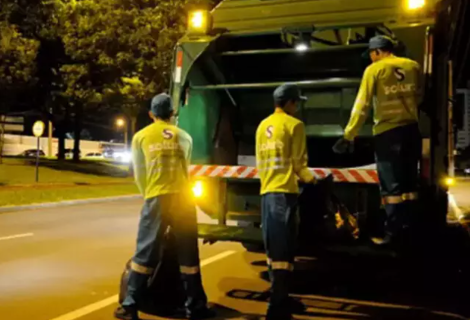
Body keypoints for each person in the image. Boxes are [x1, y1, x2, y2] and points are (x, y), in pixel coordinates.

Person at [115, 93, 214, 320]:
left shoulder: (141, 137)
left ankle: (130, 306)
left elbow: (140, 174)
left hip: (157, 198)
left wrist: (148, 196)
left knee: (145, 253)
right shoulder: (184, 137)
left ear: (151, 114)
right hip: (183, 200)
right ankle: (196, 307)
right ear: (173, 114)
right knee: (188, 254)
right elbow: (185, 170)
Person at [333, 35, 422, 246]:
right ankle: (410, 229)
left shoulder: (374, 70)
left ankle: (393, 235)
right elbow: (421, 94)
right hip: (411, 130)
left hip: (387, 132)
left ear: (377, 52)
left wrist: (349, 135)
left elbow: (362, 104)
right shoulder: (413, 67)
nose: (371, 58)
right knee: (410, 186)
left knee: (391, 188)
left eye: (372, 54)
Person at [256, 83, 330, 320]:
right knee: (283, 253)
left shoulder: (262, 125)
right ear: (289, 103)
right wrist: (315, 180)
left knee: (272, 250)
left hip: (266, 193)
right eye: (296, 102)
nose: (297, 106)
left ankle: (282, 299)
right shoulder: (295, 126)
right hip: (284, 195)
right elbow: (299, 165)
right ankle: (276, 308)